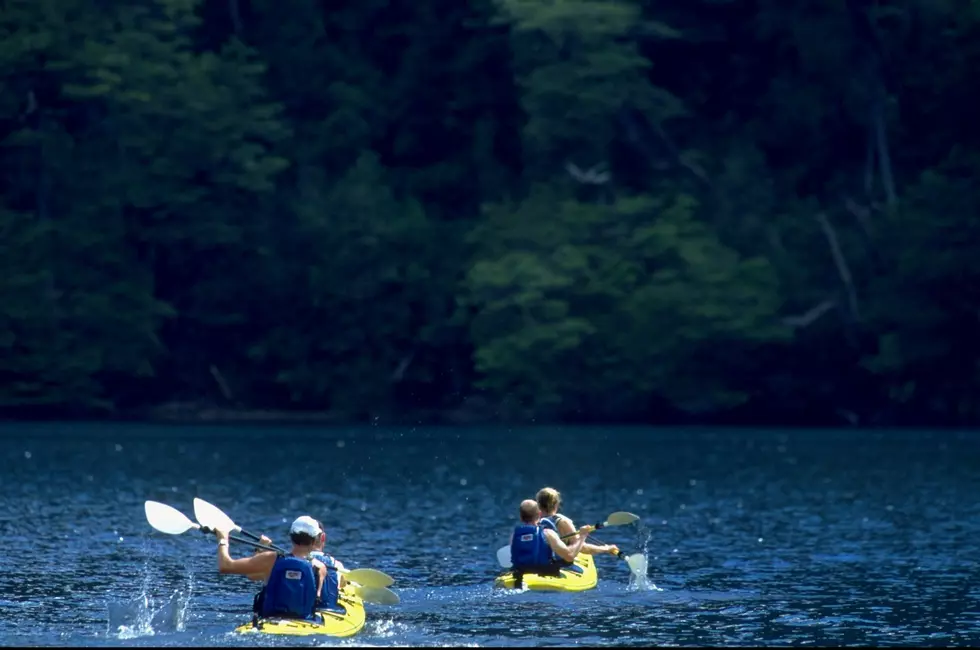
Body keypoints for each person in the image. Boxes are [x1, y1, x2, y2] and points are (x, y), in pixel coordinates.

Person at [214, 515, 328, 620]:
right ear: (314, 540)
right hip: (304, 623)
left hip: (269, 621)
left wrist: (222, 539)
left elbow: (227, 566)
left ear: (291, 536)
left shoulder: (271, 559)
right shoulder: (320, 568)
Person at [509, 499, 593, 586]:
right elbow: (570, 556)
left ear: (520, 516)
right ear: (539, 514)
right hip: (547, 573)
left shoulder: (514, 535)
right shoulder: (548, 533)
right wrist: (582, 536)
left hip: (520, 574)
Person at [536, 486, 620, 559]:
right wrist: (606, 549)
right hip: (558, 563)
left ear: (538, 504)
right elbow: (582, 548)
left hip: (539, 560)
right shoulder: (563, 521)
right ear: (556, 504)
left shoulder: (533, 520)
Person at [307, 518, 349, 612]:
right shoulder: (336, 565)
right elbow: (342, 585)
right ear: (323, 537)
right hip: (326, 610)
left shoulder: (293, 561)